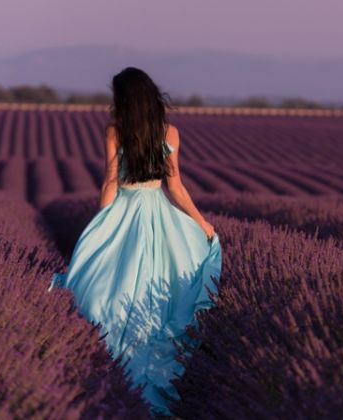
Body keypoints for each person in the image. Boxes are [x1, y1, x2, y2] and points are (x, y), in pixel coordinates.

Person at [48, 67, 221, 417]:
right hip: (160, 215)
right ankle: (156, 370)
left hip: (125, 211)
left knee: (113, 286)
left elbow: (111, 182)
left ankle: (111, 367)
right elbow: (176, 187)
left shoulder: (116, 131)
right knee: (163, 289)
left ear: (123, 99)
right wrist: (202, 224)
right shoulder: (170, 132)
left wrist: (101, 224)